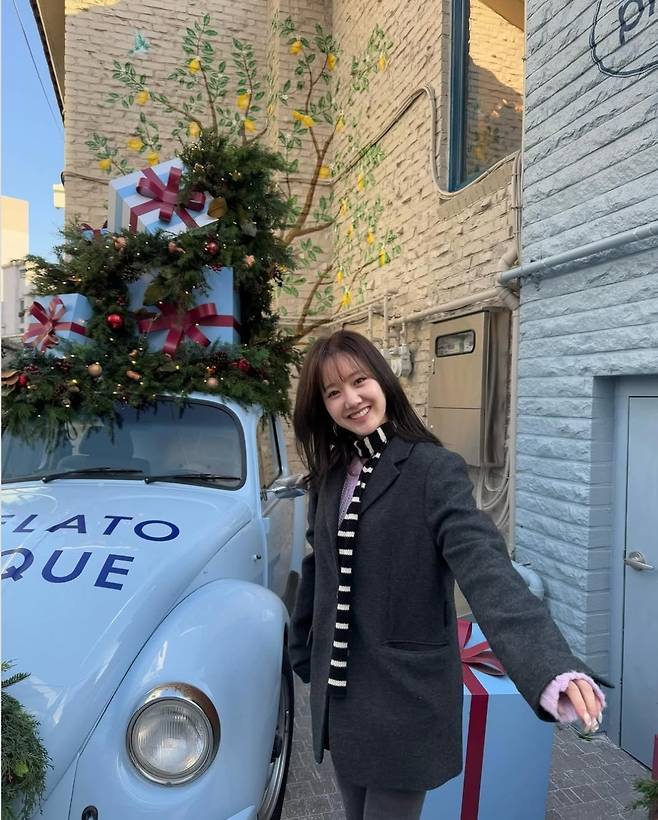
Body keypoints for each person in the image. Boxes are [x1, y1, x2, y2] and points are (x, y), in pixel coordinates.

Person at [288, 330, 609, 820]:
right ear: (322, 406)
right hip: (343, 698)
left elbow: (485, 565)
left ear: (383, 381)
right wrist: (301, 649)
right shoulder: (331, 476)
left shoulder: (432, 470)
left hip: (405, 699)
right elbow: (320, 564)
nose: (351, 399)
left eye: (359, 381)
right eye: (333, 392)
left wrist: (548, 665)